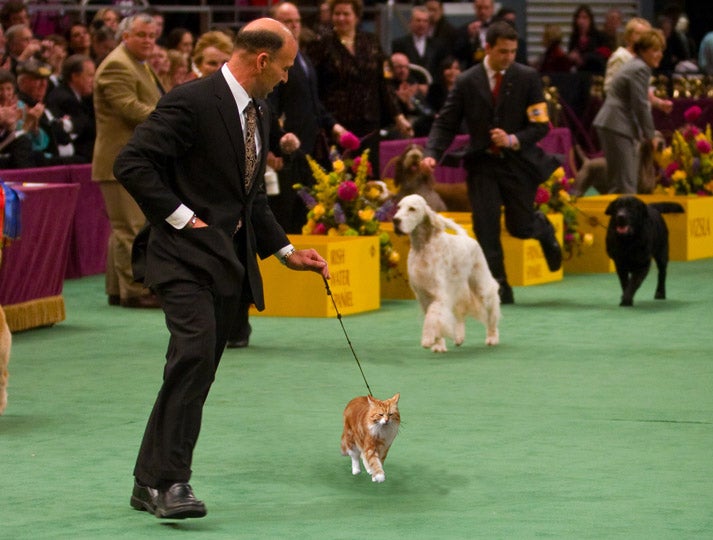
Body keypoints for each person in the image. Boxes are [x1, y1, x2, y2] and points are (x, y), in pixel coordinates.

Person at [113, 17, 329, 520]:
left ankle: (149, 481)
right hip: (179, 257)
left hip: (226, 263)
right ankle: (170, 483)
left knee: (196, 368)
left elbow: (249, 197)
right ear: (261, 61)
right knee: (192, 355)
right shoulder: (190, 101)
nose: (287, 77)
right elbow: (132, 163)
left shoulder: (262, 108)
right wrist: (184, 219)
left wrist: (285, 252)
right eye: (284, 66)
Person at [422, 21, 562, 305]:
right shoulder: (466, 81)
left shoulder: (528, 77)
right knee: (485, 228)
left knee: (519, 226)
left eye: (513, 51)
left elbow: (541, 125)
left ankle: (542, 229)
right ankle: (500, 286)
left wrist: (512, 139)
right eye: (503, 52)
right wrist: (432, 153)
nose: (509, 57)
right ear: (487, 48)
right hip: (482, 164)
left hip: (517, 163)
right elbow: (445, 123)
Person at [92, 13, 163, 308]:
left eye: (151, 35)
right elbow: (130, 110)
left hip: (128, 159)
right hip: (119, 160)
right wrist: (172, 116)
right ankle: (135, 291)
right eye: (142, 35)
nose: (148, 41)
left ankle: (116, 288)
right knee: (129, 229)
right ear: (125, 36)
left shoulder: (135, 63)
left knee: (124, 227)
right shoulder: (117, 66)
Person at [307, 0, 412, 173]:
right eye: (337, 14)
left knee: (369, 177)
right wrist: (327, 123)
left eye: (346, 14)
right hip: (338, 127)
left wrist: (398, 116)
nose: (341, 18)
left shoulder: (372, 42)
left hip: (369, 123)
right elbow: (313, 89)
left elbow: (383, 83)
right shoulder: (321, 45)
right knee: (339, 179)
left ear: (356, 17)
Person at [593, 29, 668, 194]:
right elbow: (640, 105)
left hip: (613, 124)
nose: (660, 54)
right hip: (617, 125)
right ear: (642, 50)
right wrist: (651, 136)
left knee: (618, 184)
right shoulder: (640, 68)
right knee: (627, 185)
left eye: (661, 50)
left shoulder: (634, 65)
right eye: (655, 50)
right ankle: (629, 220)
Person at [45, 54, 96, 163]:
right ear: (75, 76)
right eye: (90, 75)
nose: (93, 80)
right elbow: (86, 131)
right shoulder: (66, 99)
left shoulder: (77, 96)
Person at [391, 5, 446, 79]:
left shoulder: (438, 45)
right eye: (418, 20)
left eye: (425, 21)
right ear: (410, 22)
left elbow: (440, 70)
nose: (421, 24)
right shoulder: (399, 44)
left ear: (429, 24)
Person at [567, 5, 609, 74]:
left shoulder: (599, 36)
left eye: (584, 18)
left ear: (590, 20)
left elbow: (604, 55)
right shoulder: (574, 38)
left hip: (596, 73)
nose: (581, 21)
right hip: (579, 75)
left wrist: (583, 58)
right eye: (579, 17)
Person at [453, 0, 495, 69]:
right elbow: (459, 55)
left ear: (492, 9)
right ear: (474, 8)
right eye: (479, 8)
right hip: (474, 69)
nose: (482, 11)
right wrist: (470, 37)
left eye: (486, 8)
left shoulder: (501, 26)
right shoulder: (464, 30)